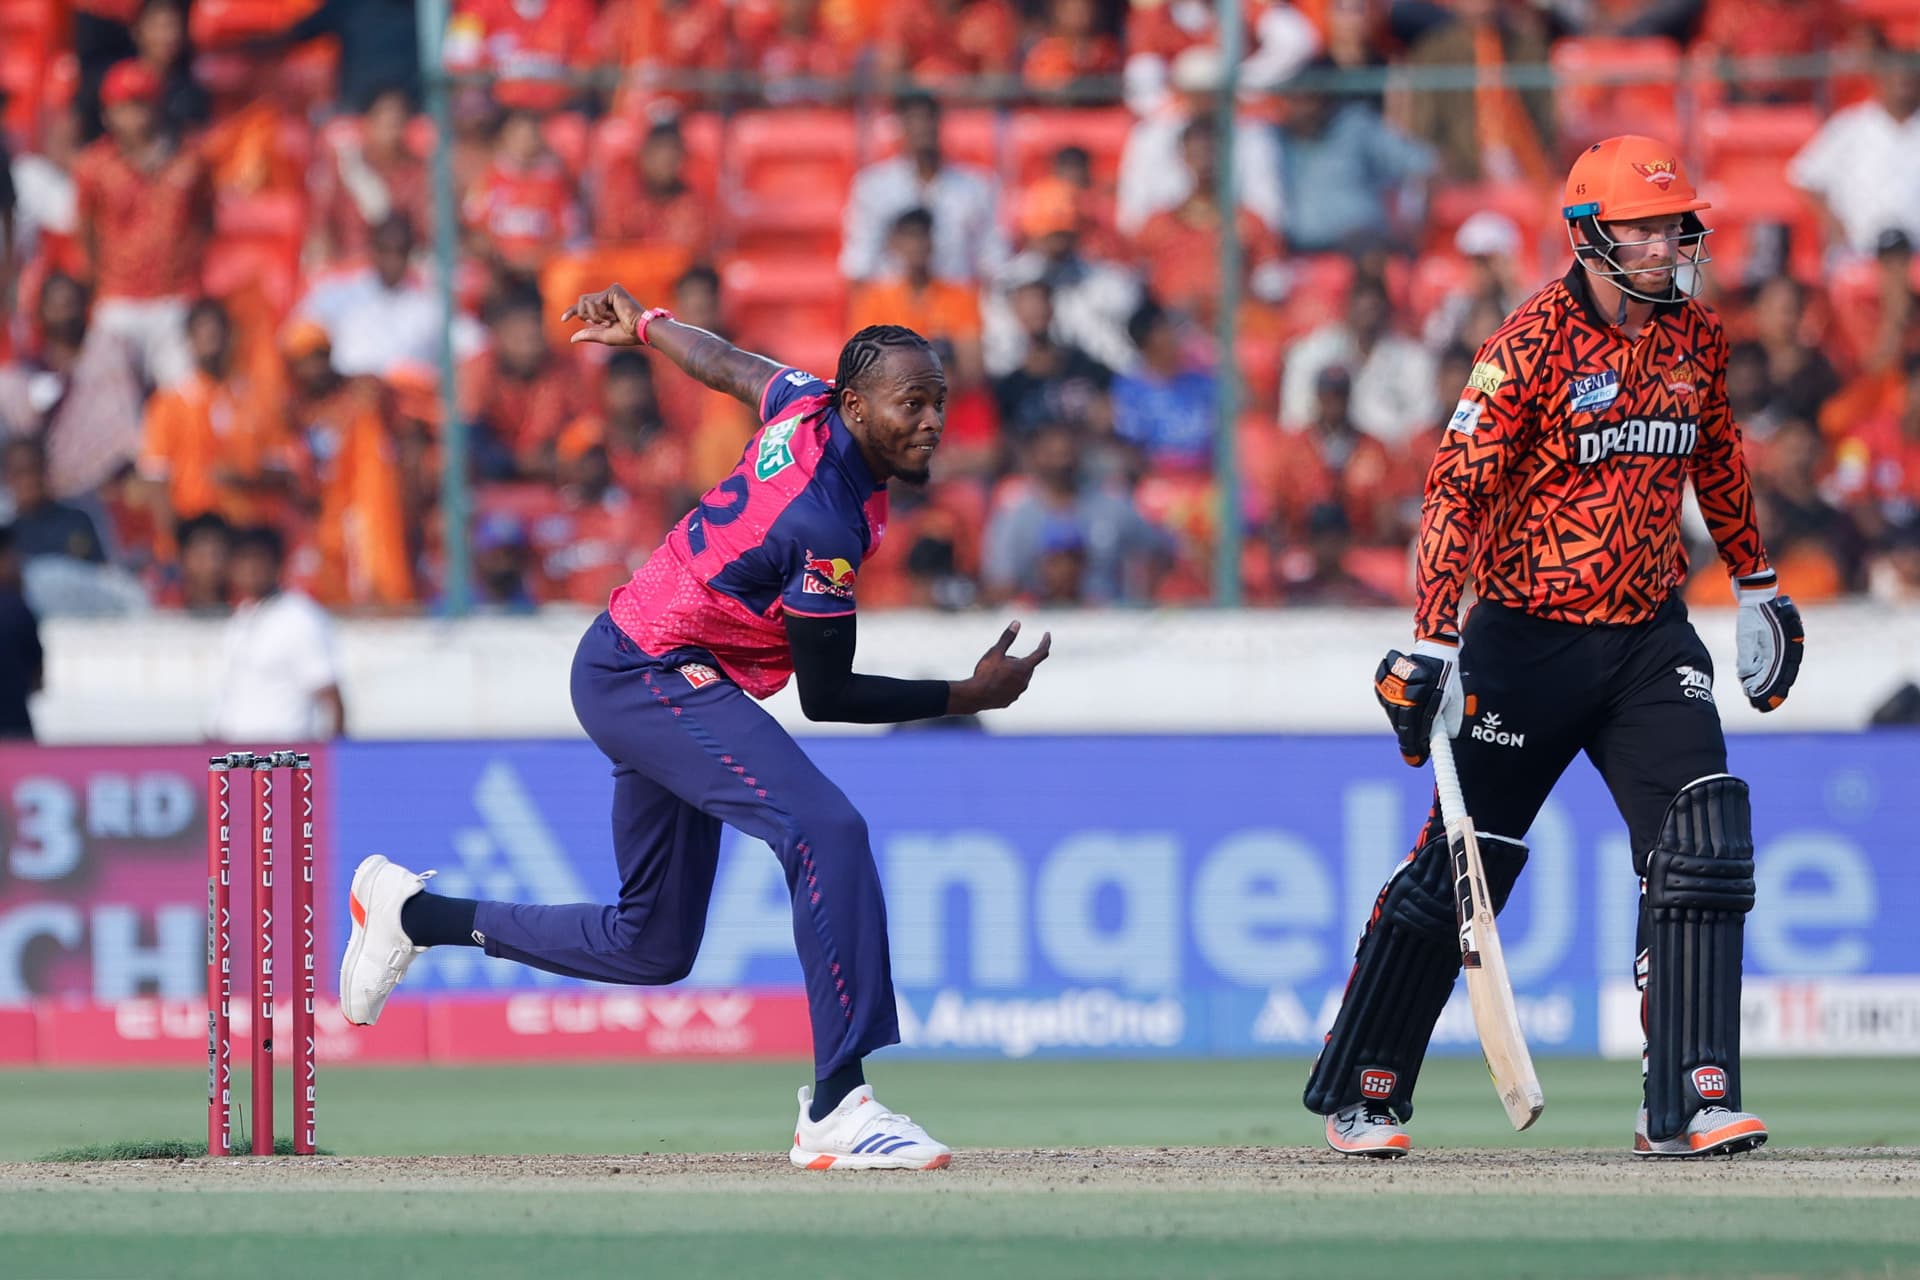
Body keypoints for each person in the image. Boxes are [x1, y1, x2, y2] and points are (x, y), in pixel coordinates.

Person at [339, 283, 1051, 1171]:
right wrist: (962, 697)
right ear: (856, 406)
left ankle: (414, 914)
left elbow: (730, 366)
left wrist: (646, 327)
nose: (933, 421)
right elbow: (826, 699)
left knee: (653, 946)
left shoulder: (805, 404)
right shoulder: (824, 520)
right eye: (914, 403)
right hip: (650, 673)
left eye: (939, 402)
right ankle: (838, 1105)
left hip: (641, 660)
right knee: (826, 830)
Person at [1304, 136, 1805, 1160]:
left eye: (1677, 224)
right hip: (1523, 642)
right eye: (1647, 226)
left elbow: (1718, 462)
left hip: (1648, 636)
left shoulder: (1697, 337)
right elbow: (1456, 487)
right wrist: (1433, 638)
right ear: (1591, 234)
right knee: (1464, 866)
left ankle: (1689, 1097)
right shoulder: (1529, 343)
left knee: (1699, 837)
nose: (1671, 243)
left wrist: (1757, 582)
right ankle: (1367, 1085)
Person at [207, 525, 346, 742]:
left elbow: (331, 698)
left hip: (285, 758)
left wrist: (331, 762)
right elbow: (233, 697)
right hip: (237, 760)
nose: (251, 569)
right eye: (243, 561)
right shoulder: (241, 618)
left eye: (258, 560)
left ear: (277, 564)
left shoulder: (298, 617)